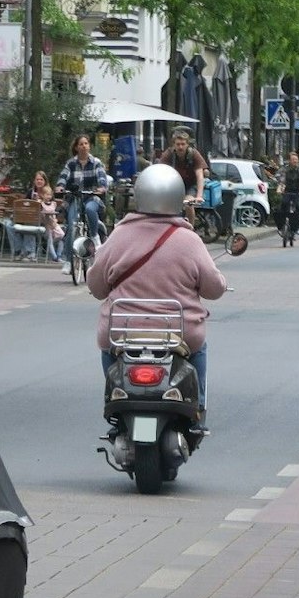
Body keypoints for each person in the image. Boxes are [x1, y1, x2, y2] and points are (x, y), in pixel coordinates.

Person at [87, 163, 227, 420]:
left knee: (108, 352)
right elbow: (214, 289)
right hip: (178, 333)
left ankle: (115, 400)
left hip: (122, 332)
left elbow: (95, 286)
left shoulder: (119, 235)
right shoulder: (189, 240)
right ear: (177, 198)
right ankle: (198, 409)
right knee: (199, 350)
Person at [57, 134, 111, 270]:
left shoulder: (96, 162)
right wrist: (60, 186)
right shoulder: (71, 163)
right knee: (71, 225)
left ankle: (94, 236)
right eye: (81, 144)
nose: (84, 146)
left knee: (90, 209)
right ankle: (69, 261)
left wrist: (102, 187)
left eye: (86, 143)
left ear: (89, 146)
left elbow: (101, 177)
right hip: (75, 198)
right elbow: (63, 176)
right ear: (76, 147)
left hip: (92, 196)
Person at [274, 150, 299, 244]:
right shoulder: (284, 168)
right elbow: (278, 176)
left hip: (298, 191)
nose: (295, 161)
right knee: (283, 205)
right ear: (289, 160)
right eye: (293, 160)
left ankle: (298, 225)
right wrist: (281, 185)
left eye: (296, 159)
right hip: (287, 191)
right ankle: (283, 226)